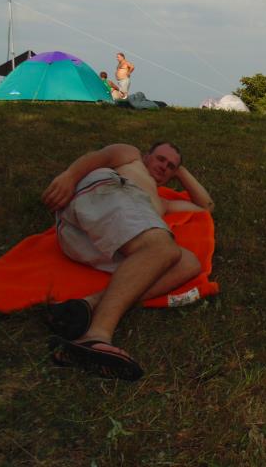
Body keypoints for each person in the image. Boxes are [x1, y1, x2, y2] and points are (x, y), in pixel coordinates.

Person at [42, 141, 215, 380]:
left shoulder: (162, 203)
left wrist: (181, 172)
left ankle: (87, 305)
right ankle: (96, 335)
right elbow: (101, 156)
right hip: (107, 194)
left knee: (188, 262)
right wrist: (69, 176)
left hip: (89, 241)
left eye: (171, 166)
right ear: (146, 156)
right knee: (161, 247)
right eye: (160, 159)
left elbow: (206, 206)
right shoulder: (132, 158)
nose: (164, 167)